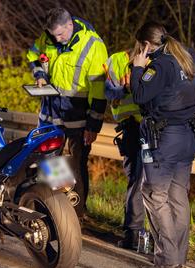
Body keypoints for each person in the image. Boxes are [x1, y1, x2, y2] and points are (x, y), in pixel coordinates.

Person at [129, 22, 195, 268]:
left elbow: (139, 95)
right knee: (178, 197)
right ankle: (177, 259)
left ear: (146, 45)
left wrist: (138, 69)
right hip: (187, 137)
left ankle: (166, 262)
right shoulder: (185, 57)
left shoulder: (159, 66)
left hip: (165, 139)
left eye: (141, 47)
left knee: (154, 195)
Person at [26, 8, 108, 217]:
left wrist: (93, 126)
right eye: (53, 35)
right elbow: (33, 54)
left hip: (77, 118)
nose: (57, 38)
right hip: (50, 114)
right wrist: (40, 74)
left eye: (60, 34)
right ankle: (54, 210)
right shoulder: (49, 37)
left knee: (75, 165)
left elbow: (99, 90)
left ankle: (76, 214)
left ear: (70, 25)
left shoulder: (93, 46)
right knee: (49, 161)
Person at [103, 44, 145, 250]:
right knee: (136, 181)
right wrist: (123, 89)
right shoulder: (116, 60)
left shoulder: (156, 61)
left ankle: (136, 233)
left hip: (148, 128)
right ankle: (134, 233)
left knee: (140, 181)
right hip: (130, 129)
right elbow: (108, 91)